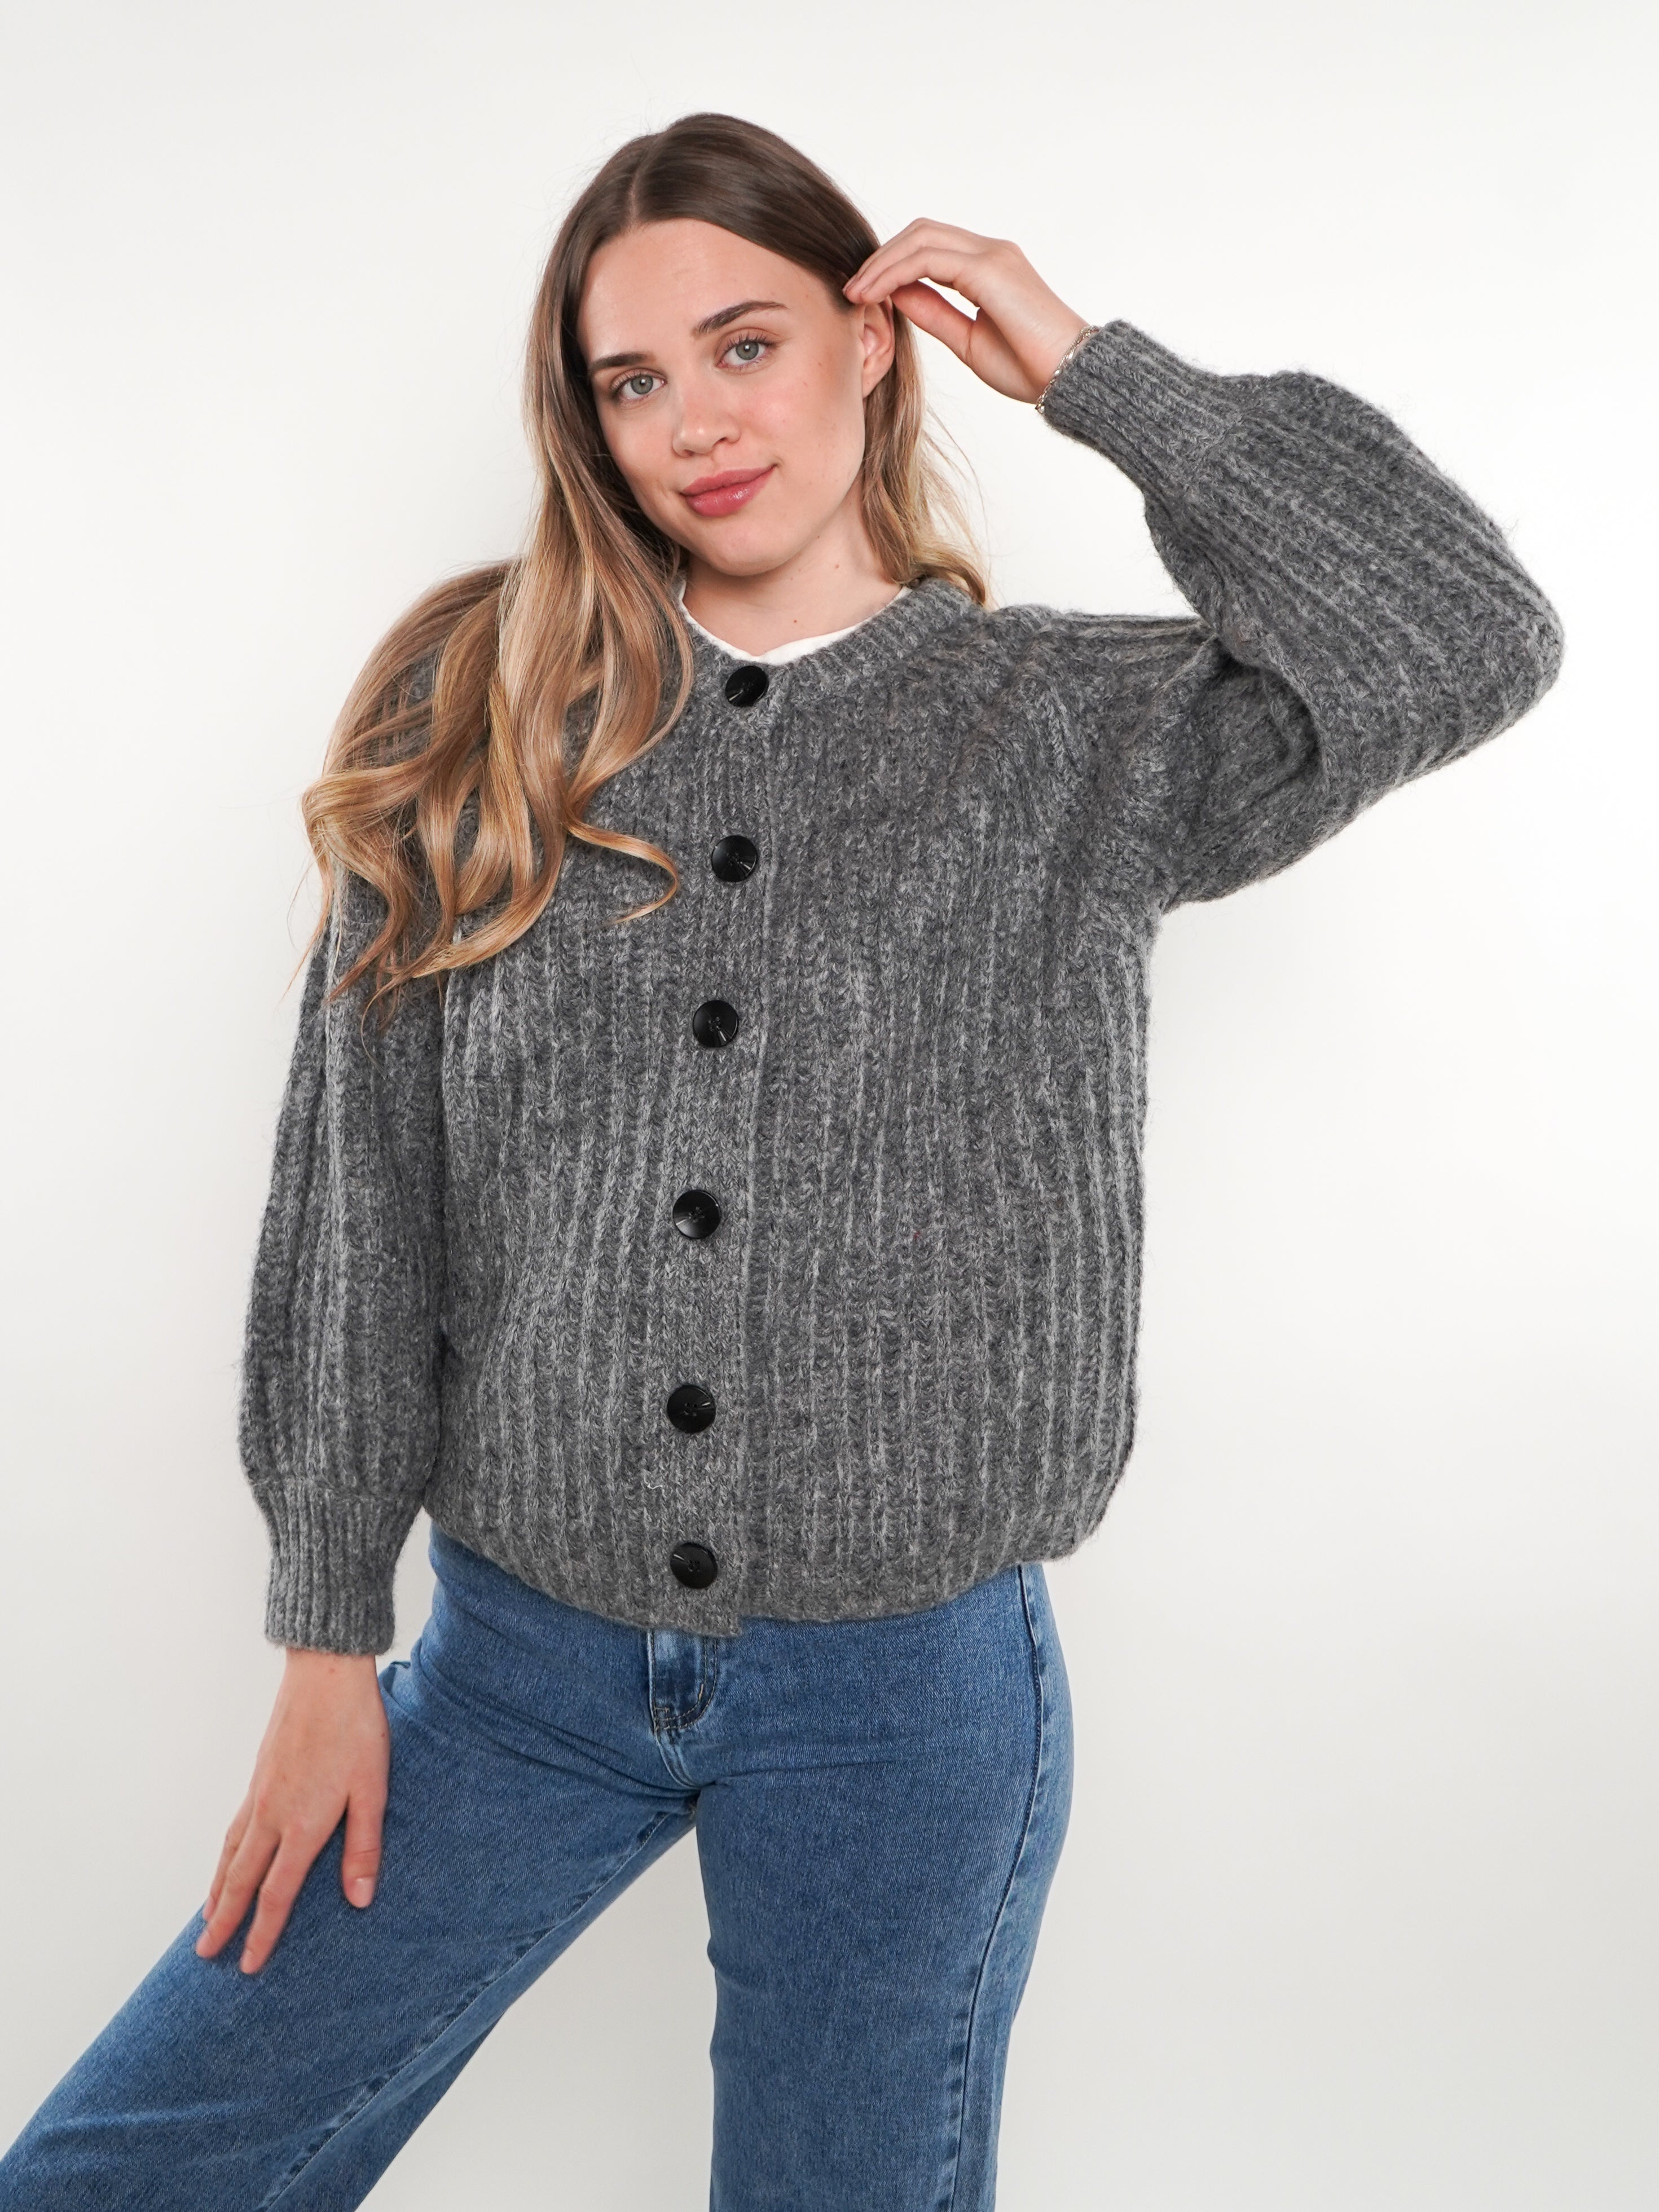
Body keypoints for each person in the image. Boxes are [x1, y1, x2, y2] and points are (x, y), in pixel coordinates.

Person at [0, 109, 1564, 2212]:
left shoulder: (1072, 730)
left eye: (747, 345)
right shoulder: (484, 702)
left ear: (875, 339)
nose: (697, 426)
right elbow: (362, 1193)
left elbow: (1463, 635)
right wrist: (323, 1635)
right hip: (514, 1671)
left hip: (905, 1702)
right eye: (632, 382)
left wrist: (1096, 371)